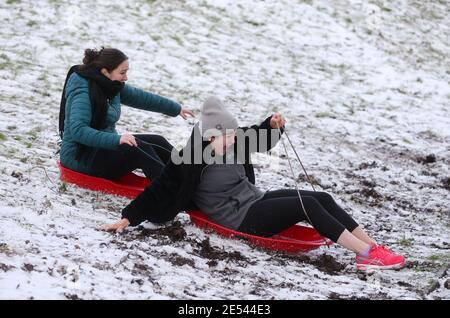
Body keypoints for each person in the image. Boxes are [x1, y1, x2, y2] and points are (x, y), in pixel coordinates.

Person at [103, 96, 405, 271]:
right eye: (229, 137)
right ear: (209, 136)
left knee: (320, 196)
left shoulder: (232, 139)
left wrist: (271, 124)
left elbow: (259, 135)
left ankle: (372, 246)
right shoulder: (187, 160)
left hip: (255, 199)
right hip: (239, 217)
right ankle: (364, 257)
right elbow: (158, 191)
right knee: (307, 205)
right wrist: (127, 218)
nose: (235, 140)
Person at [59, 47, 194, 180]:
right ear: (105, 72)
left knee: (157, 141)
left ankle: (190, 174)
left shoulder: (111, 86)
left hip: (102, 148)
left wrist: (175, 108)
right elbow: (79, 131)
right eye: (122, 73)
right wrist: (117, 139)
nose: (126, 77)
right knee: (137, 150)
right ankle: (170, 189)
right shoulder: (83, 91)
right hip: (80, 157)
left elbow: (141, 97)